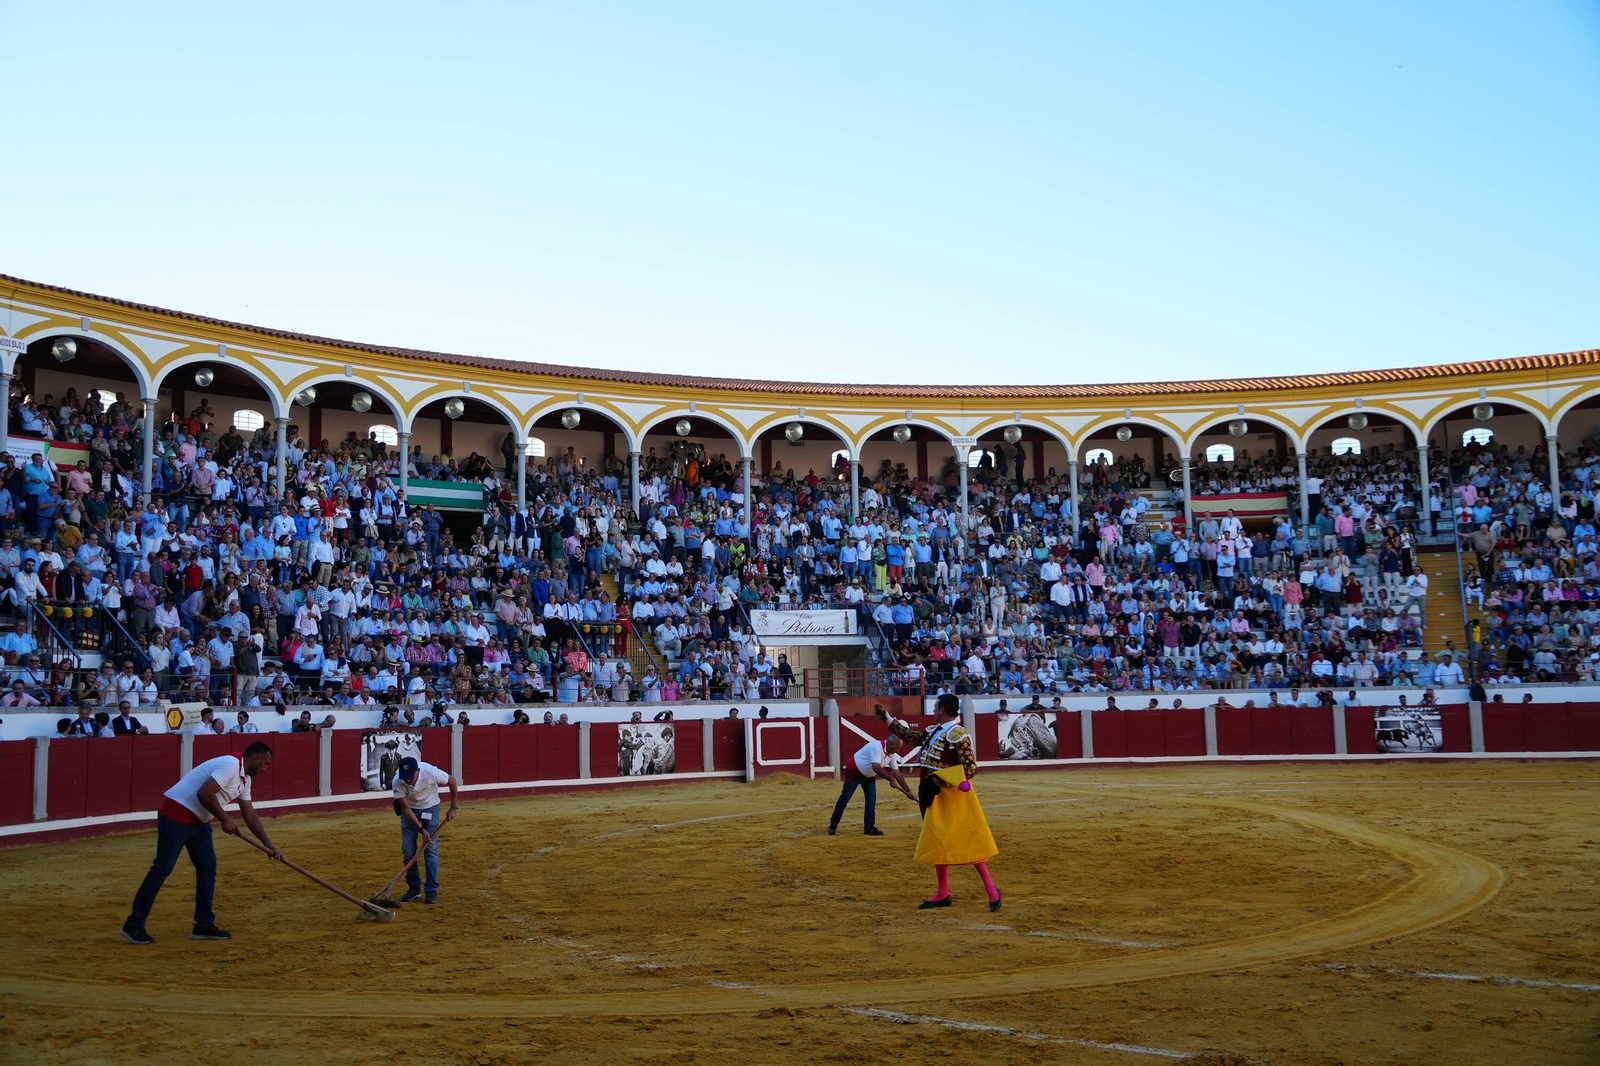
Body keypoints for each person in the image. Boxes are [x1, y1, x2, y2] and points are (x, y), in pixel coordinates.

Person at [121, 741, 282, 945]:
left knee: (207, 868)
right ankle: (134, 924)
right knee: (163, 868)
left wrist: (269, 844)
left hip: (199, 820)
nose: (266, 768)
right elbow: (204, 793)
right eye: (266, 763)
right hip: (177, 813)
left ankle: (204, 924)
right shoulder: (231, 764)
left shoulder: (245, 779)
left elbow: (248, 813)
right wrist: (225, 818)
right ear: (256, 758)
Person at [878, 695, 1001, 911]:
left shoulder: (958, 734)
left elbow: (970, 769)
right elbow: (912, 737)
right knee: (938, 839)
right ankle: (943, 892)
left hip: (951, 795)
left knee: (966, 841)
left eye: (935, 707)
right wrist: (887, 719)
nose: (933, 710)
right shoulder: (936, 730)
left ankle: (991, 889)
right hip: (931, 792)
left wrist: (939, 778)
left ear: (942, 709)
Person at [391, 755, 460, 904]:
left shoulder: (431, 772)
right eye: (405, 778)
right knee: (408, 850)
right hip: (410, 813)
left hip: (431, 808)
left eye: (410, 777)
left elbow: (452, 781)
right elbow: (406, 809)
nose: (408, 781)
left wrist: (453, 807)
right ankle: (414, 888)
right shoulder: (398, 781)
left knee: (431, 848)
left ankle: (431, 889)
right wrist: (421, 829)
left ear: (418, 771)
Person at [827, 733, 913, 836]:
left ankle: (869, 828)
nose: (898, 750)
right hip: (854, 771)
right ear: (892, 744)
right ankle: (833, 825)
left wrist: (908, 790)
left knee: (871, 801)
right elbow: (876, 767)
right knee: (845, 798)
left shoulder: (892, 754)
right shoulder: (876, 746)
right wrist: (890, 779)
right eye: (898, 747)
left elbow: (897, 773)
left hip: (869, 776)